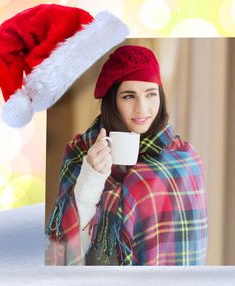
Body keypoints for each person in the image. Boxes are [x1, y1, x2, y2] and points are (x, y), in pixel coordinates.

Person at [45, 45, 208, 266]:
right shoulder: (80, 151)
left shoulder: (184, 159)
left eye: (151, 94)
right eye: (129, 96)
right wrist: (90, 178)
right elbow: (61, 252)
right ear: (112, 101)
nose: (142, 109)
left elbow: (189, 252)